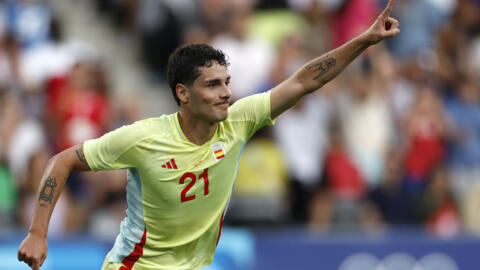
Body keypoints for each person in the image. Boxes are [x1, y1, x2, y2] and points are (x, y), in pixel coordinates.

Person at [18, 1, 399, 269]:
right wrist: (38, 233)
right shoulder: (144, 138)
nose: (226, 93)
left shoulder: (239, 120)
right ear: (183, 93)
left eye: (227, 83)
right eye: (213, 85)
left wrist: (363, 41)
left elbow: (304, 80)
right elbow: (62, 160)